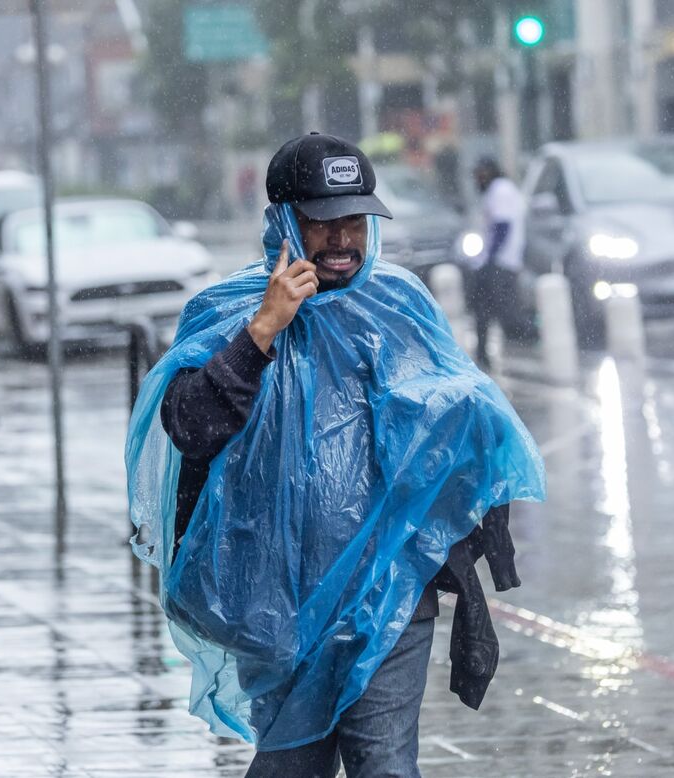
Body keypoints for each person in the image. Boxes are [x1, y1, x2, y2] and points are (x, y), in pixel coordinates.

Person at [126, 133, 545, 777]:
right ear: (285, 221)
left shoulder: (400, 306)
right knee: (295, 765)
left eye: (356, 220)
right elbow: (193, 424)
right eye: (325, 223)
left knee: (383, 764)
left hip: (390, 592)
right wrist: (263, 330)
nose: (344, 239)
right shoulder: (230, 312)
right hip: (275, 603)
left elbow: (459, 431)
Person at [470, 157, 526, 366]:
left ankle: (486, 355)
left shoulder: (500, 190)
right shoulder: (499, 190)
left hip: (500, 263)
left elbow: (503, 226)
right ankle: (483, 355)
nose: (478, 180)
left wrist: (490, 259)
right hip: (500, 262)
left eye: (481, 175)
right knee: (486, 309)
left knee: (503, 314)